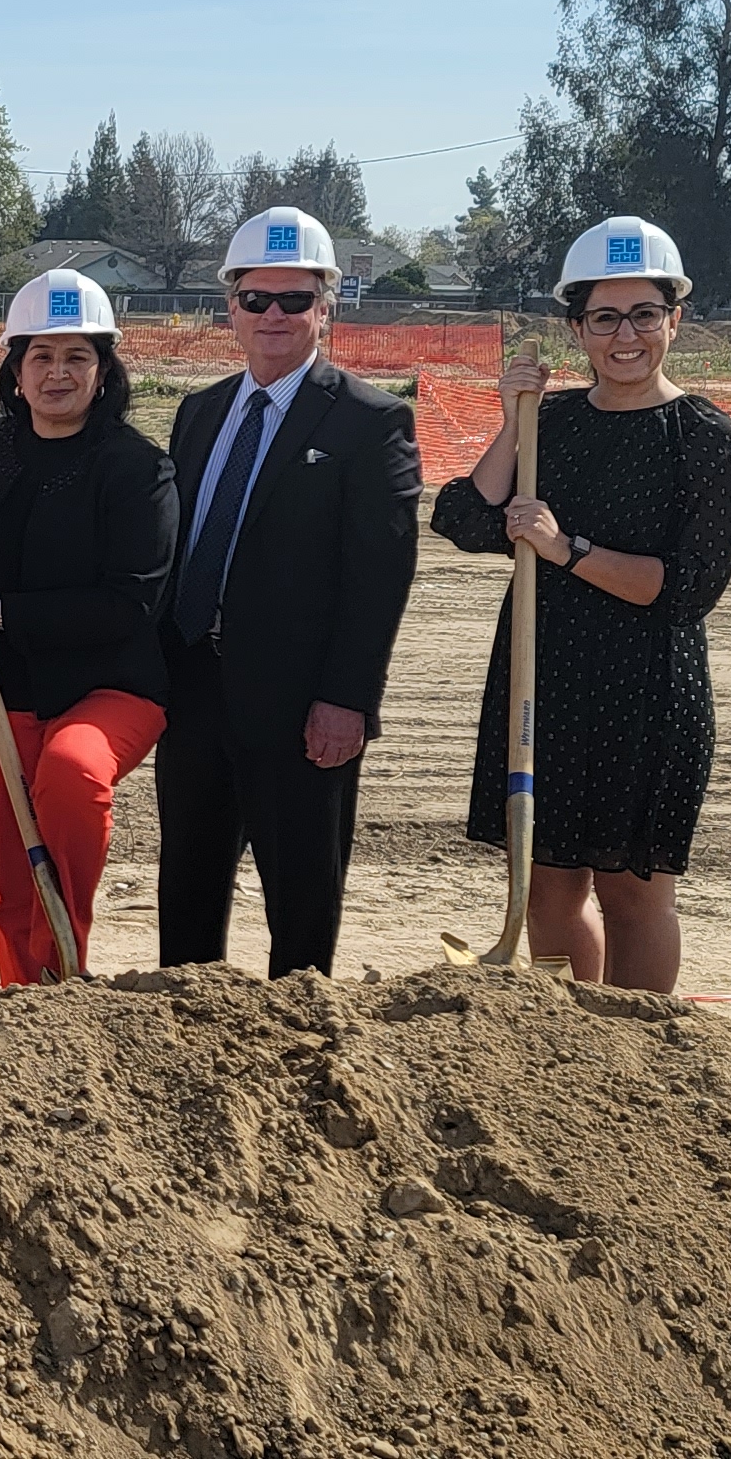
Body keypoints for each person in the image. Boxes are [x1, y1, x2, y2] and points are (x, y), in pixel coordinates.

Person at [431, 217, 731, 993]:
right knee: (548, 891)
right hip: (546, 679)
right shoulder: (555, 424)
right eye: (604, 317)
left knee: (634, 892)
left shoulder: (707, 438)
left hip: (646, 690)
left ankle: (638, 1046)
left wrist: (564, 548)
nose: (626, 334)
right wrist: (515, 422)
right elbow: (464, 518)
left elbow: (685, 589)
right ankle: (570, 1045)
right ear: (578, 328)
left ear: (675, 319)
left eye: (645, 313)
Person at [153, 207, 422, 979]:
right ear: (230, 306)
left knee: (301, 903)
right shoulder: (200, 412)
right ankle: (183, 1037)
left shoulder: (372, 421)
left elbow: (380, 577)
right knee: (188, 893)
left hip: (304, 707)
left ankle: (302, 1048)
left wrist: (348, 698)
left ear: (327, 306)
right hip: (196, 690)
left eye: (295, 300)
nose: (274, 315)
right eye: (257, 299)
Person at [0, 270, 174, 985]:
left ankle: (64, 965)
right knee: (7, 876)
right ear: (15, 371)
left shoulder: (137, 469)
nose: (58, 373)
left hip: (106, 686)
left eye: (77, 357)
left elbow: (131, 600)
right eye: (41, 358)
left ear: (104, 370)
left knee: (71, 774)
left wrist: (2, 614)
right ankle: (21, 1001)